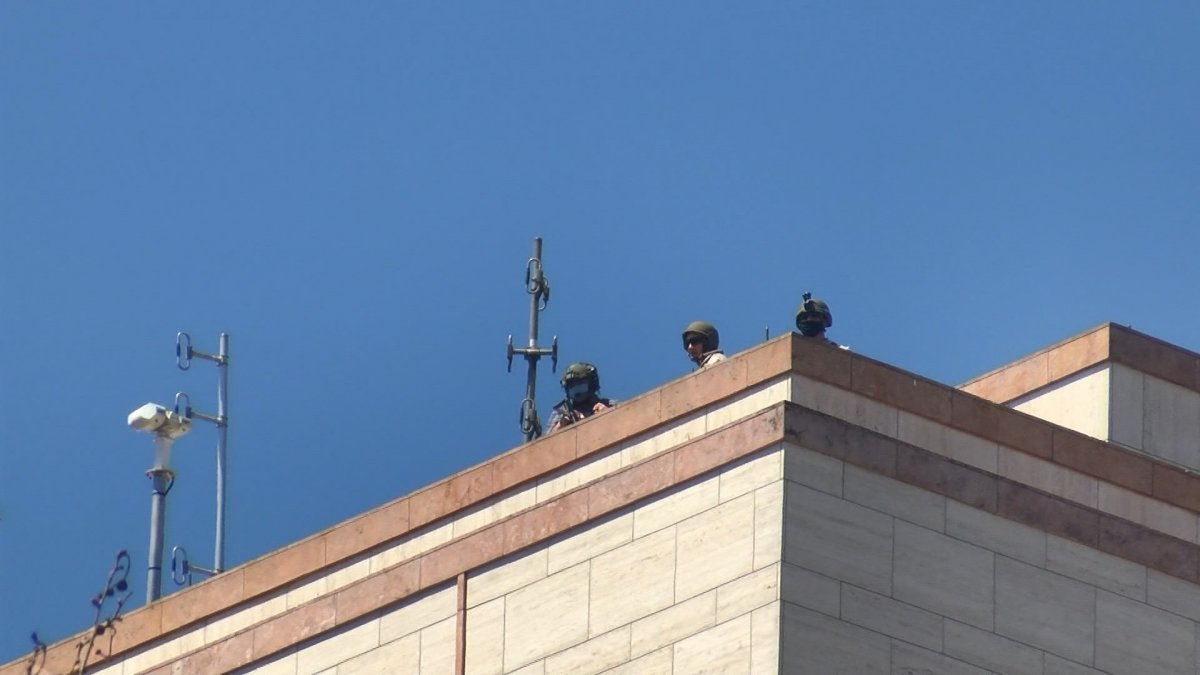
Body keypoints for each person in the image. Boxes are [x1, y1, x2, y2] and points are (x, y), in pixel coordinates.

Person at [547, 362, 615, 433]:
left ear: (592, 384)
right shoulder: (560, 413)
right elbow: (546, 441)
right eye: (571, 386)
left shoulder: (609, 404)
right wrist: (563, 423)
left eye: (580, 384)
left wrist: (608, 413)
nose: (576, 390)